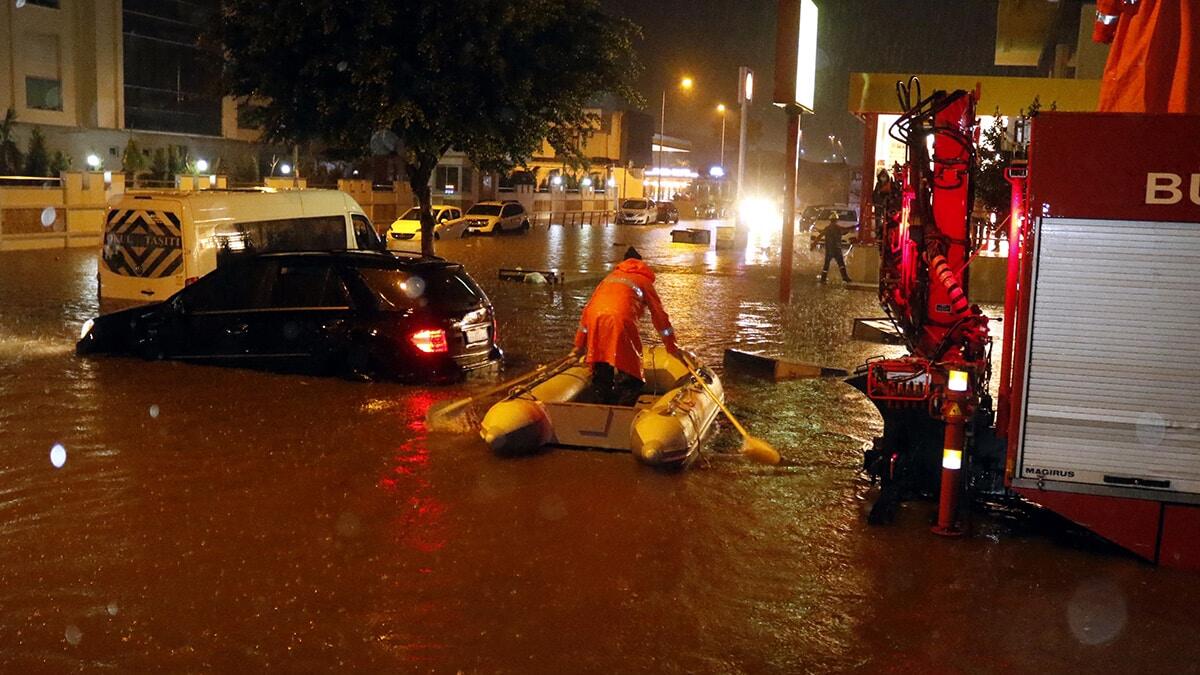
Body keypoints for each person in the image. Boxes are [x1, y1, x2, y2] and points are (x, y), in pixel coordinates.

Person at [571, 246, 679, 404]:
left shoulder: (609, 278)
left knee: (601, 370)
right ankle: (622, 408)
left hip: (596, 320)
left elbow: (588, 312)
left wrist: (579, 345)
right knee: (631, 377)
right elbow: (659, 316)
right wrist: (671, 345)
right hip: (621, 321)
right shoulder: (643, 281)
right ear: (641, 264)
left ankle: (601, 405)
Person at [812, 214, 852, 284]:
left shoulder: (827, 228)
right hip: (837, 249)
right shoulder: (838, 228)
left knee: (826, 265)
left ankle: (823, 279)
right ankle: (845, 277)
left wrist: (813, 245)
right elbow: (846, 230)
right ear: (836, 220)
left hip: (829, 249)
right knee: (841, 264)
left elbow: (819, 237)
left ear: (830, 220)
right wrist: (857, 226)